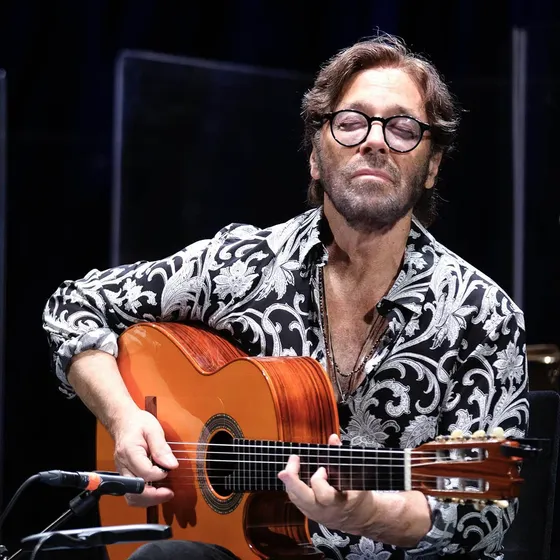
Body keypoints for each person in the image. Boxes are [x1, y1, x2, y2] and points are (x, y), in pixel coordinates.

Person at [42, 32, 529, 560]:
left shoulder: (483, 314)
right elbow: (74, 306)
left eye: (403, 128)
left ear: (431, 166)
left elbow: (483, 517)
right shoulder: (242, 266)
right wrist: (123, 418)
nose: (375, 140)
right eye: (351, 122)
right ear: (316, 157)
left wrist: (367, 513)